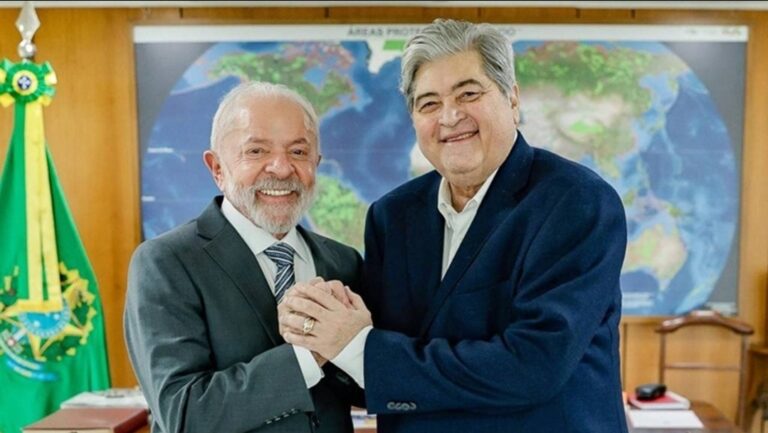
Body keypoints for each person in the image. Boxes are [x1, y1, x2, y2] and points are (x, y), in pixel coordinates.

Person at [279, 18, 629, 433]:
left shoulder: (577, 202)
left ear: (512, 99)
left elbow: (533, 365)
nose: (449, 116)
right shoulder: (392, 216)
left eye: (468, 93)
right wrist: (320, 327)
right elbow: (380, 372)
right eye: (428, 103)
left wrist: (359, 347)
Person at [124, 81, 365, 433]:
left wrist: (359, 346)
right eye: (256, 151)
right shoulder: (166, 263)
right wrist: (310, 353)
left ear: (316, 164)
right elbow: (184, 413)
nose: (281, 168)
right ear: (217, 168)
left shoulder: (344, 262)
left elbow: (369, 391)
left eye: (298, 152)